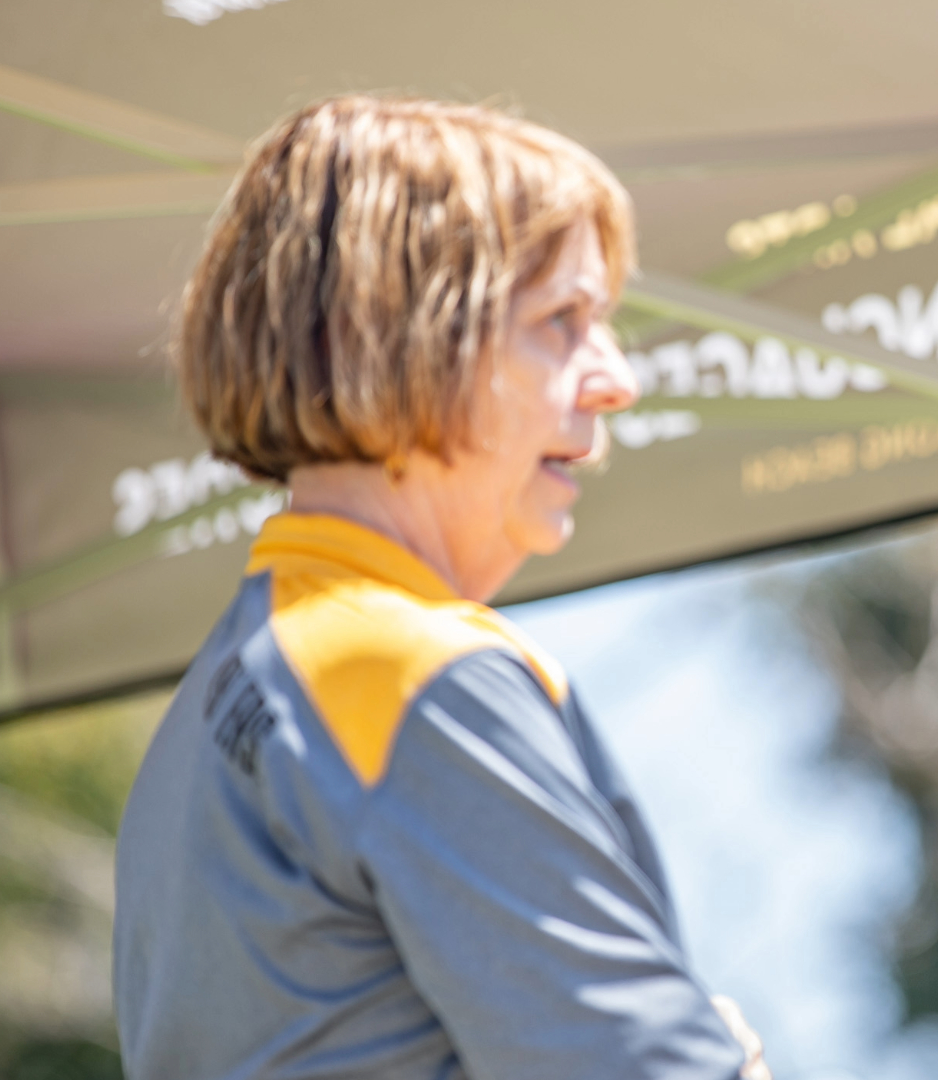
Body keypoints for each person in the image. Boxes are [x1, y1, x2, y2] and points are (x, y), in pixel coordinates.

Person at [113, 96, 769, 1080]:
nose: (617, 377)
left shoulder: (208, 717)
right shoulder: (409, 673)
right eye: (563, 320)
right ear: (395, 336)